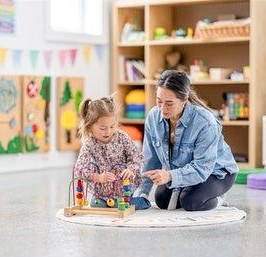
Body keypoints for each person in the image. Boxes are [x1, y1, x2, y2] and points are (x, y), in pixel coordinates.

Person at [134, 70, 239, 211]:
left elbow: (203, 168)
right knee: (162, 201)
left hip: (216, 172)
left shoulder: (205, 122)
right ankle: (188, 189)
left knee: (191, 202)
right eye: (159, 101)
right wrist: (142, 194)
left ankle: (218, 199)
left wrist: (170, 175)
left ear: (184, 100)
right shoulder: (153, 117)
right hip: (182, 170)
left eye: (169, 103)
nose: (163, 109)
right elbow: (149, 160)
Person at [74, 96, 151, 210]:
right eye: (102, 128)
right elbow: (79, 169)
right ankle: (110, 201)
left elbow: (137, 157)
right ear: (90, 126)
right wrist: (98, 177)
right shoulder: (89, 144)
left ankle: (141, 201)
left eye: (112, 126)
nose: (108, 131)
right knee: (95, 205)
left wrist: (130, 169)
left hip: (123, 188)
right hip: (101, 190)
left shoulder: (121, 137)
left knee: (118, 204)